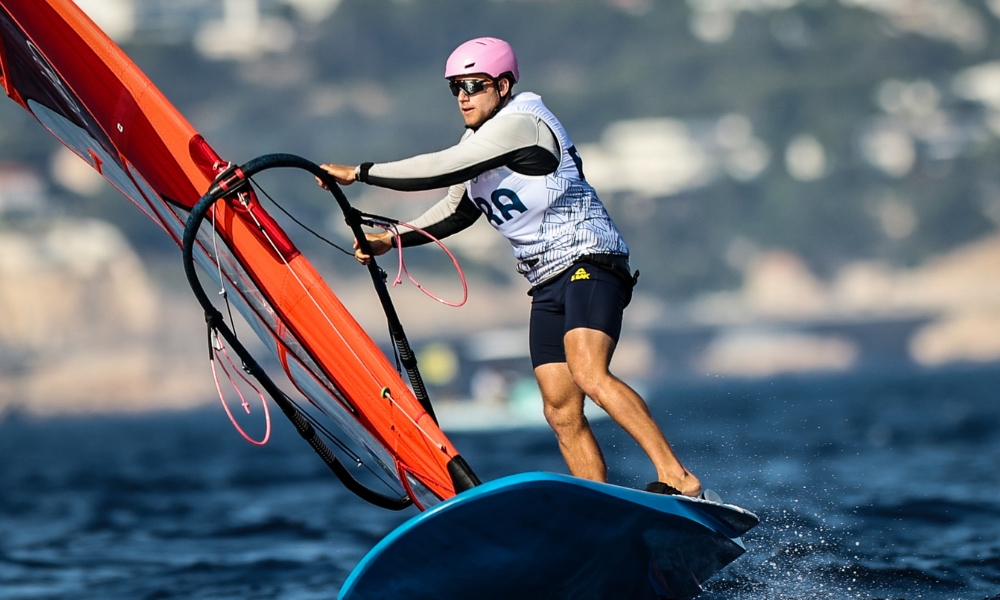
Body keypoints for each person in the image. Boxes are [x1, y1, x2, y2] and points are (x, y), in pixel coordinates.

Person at [319, 37, 702, 497]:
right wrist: (391, 240)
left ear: (502, 86)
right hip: (545, 281)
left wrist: (359, 172)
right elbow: (457, 210)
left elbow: (441, 168)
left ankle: (677, 475)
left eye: (474, 86)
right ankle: (600, 505)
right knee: (560, 410)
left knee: (588, 372)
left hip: (591, 259)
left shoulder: (523, 124)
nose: (463, 96)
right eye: (455, 88)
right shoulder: (477, 144)